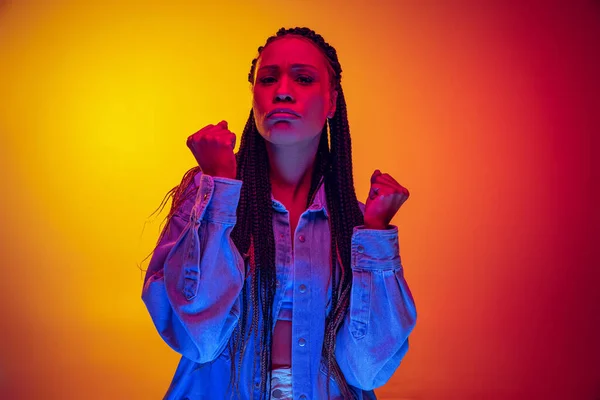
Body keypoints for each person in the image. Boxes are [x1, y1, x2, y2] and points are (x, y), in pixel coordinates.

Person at [142, 26, 417, 400]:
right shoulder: (208, 198)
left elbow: (366, 371)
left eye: (303, 79)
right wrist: (219, 187)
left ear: (332, 101)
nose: (282, 90)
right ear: (254, 94)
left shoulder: (354, 224)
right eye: (268, 79)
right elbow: (200, 341)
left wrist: (375, 234)